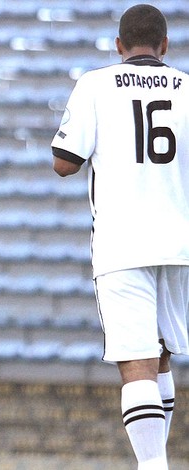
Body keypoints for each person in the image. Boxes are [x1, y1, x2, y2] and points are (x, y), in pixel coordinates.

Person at [51, 4, 189, 469]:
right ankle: (157, 462)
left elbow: (64, 162)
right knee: (162, 358)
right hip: (178, 242)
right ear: (165, 46)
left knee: (137, 365)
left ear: (118, 46)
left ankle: (154, 467)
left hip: (123, 240)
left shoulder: (96, 83)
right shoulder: (188, 88)